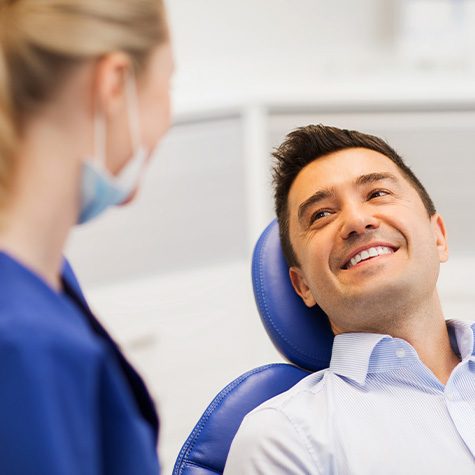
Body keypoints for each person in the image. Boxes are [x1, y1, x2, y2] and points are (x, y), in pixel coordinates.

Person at [224, 125, 475, 474]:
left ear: (438, 238)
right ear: (303, 286)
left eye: (377, 193)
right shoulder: (284, 438)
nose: (357, 221)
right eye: (321, 215)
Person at [0, 0, 173, 473]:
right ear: (115, 84)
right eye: (168, 81)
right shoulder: (24, 343)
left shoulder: (46, 283)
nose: (168, 117)